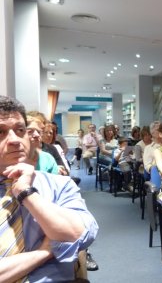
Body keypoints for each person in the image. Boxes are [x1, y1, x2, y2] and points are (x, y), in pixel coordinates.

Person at [0, 96, 98, 282]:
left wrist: (26, 193)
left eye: (20, 130)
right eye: (0, 132)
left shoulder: (59, 185)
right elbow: (67, 241)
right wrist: (45, 252)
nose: (15, 140)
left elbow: (80, 235)